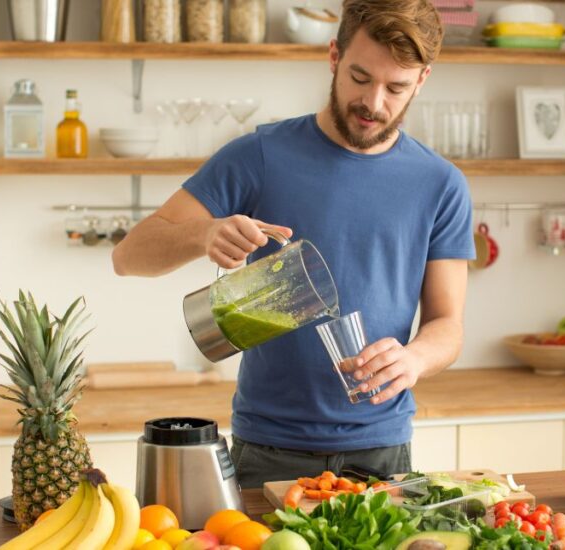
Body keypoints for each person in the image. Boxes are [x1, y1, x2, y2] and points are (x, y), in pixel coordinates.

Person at [112, 0, 473, 488]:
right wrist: (204, 233)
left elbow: (447, 325)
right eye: (360, 78)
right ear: (334, 56)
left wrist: (415, 359)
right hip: (269, 450)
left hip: (382, 450)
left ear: (422, 80)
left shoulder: (440, 184)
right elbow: (129, 256)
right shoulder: (259, 156)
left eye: (396, 88)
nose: (374, 103)